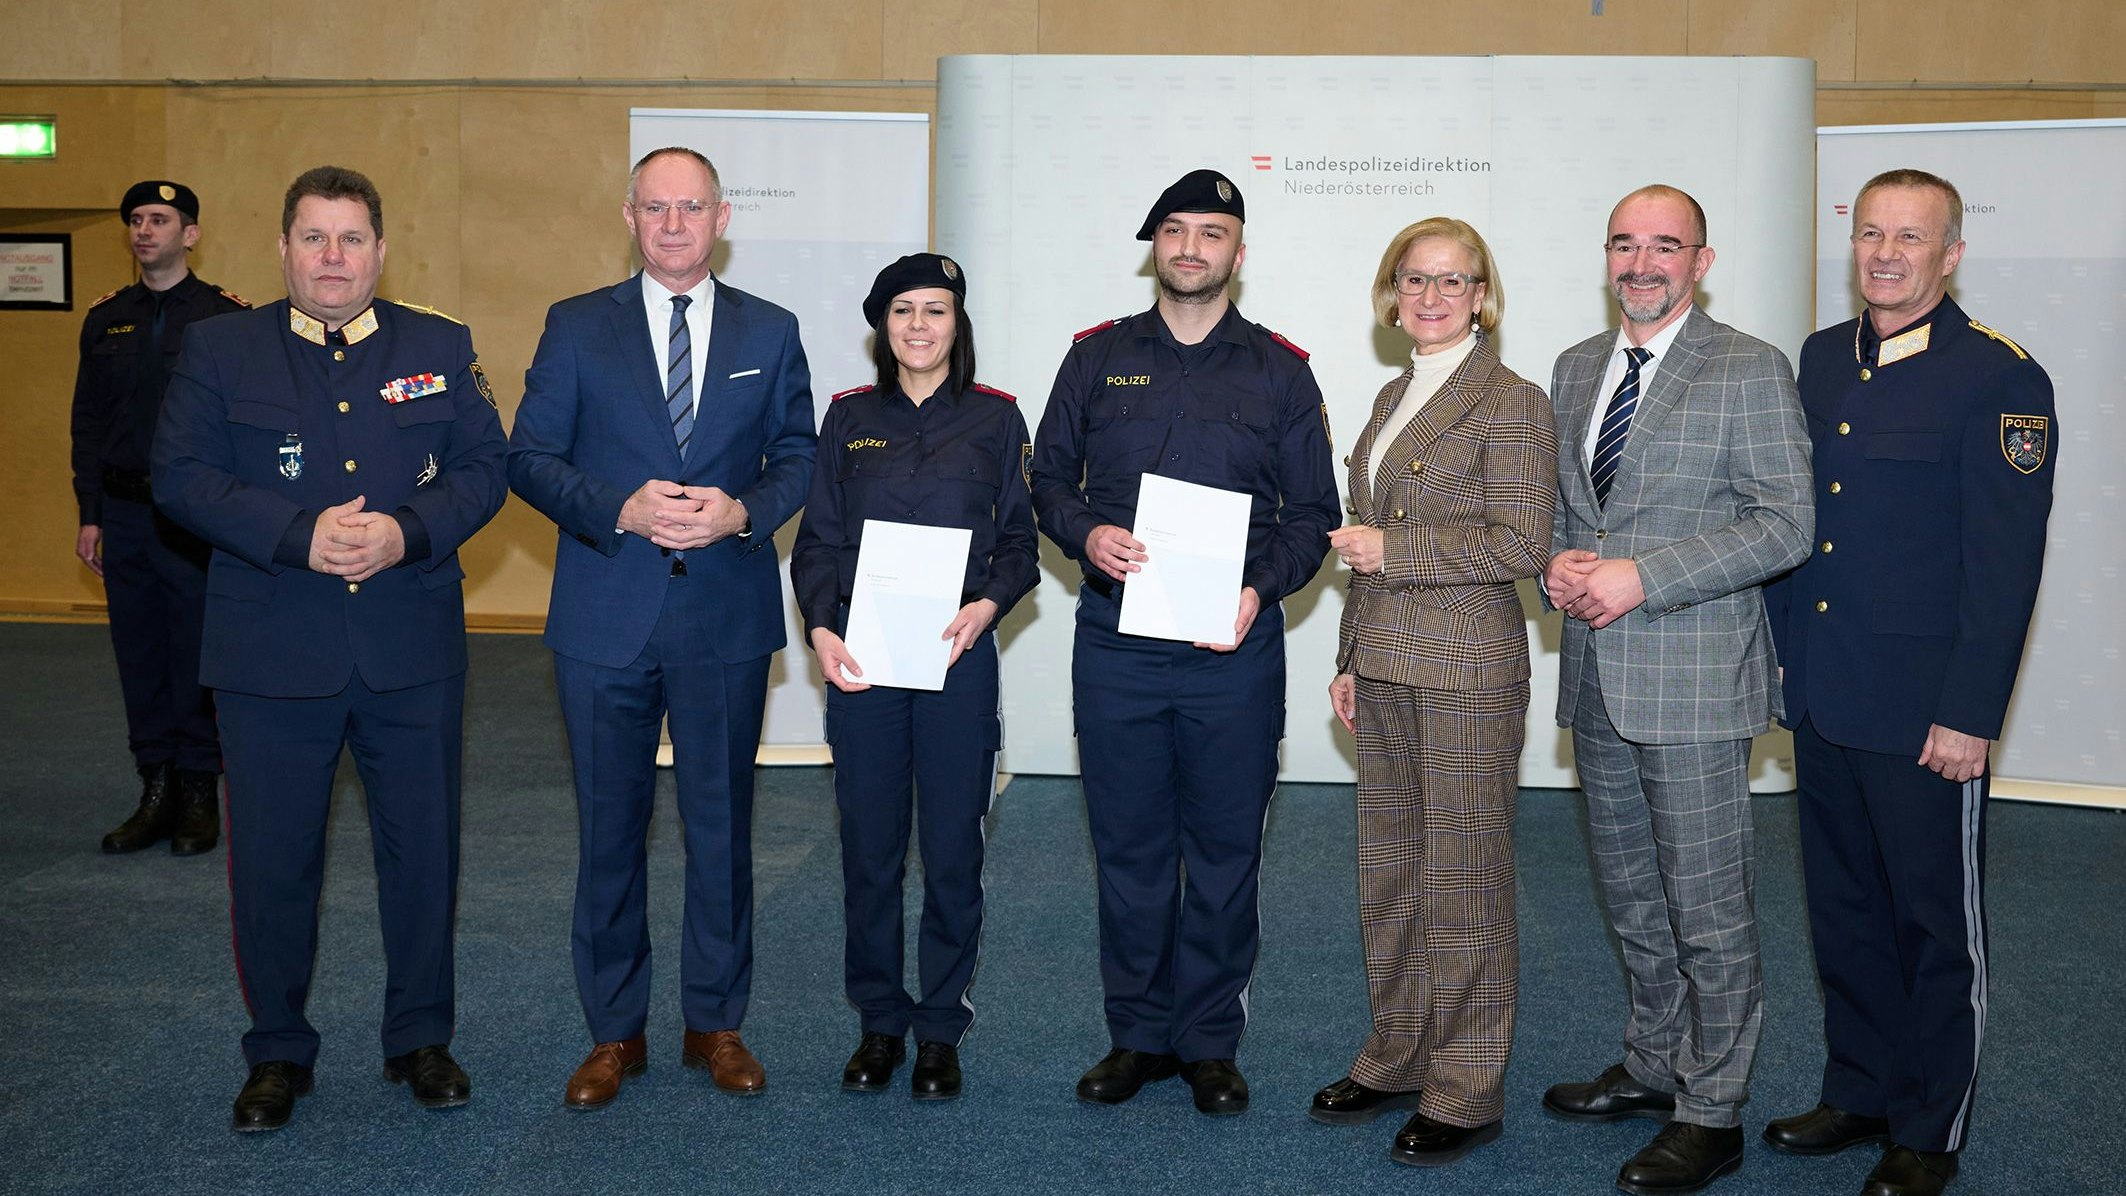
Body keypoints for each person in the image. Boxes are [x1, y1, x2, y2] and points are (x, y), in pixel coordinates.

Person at [151, 165, 507, 1131]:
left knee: (423, 855)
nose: (334, 258)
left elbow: (486, 468)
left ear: (382, 251)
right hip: (272, 650)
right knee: (272, 862)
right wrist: (296, 532)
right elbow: (177, 474)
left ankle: (420, 1039)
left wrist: (409, 530)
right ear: (282, 249)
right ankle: (276, 1051)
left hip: (409, 646)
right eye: (315, 238)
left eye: (352, 239)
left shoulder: (439, 343)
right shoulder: (219, 348)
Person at [1761, 169, 2055, 1196]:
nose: (1884, 254)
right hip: (1824, 691)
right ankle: (1860, 1085)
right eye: (1869, 234)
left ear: (1950, 254)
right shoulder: (1817, 360)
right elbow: (1798, 530)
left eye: (1909, 238)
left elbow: (2002, 566)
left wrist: (1969, 713)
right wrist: (1778, 661)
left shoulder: (1996, 378)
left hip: (1924, 709)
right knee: (1839, 906)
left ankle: (1928, 1125)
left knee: (1934, 923)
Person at [508, 146, 817, 1109]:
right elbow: (528, 456)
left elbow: (802, 452)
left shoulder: (772, 327)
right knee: (610, 831)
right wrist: (619, 508)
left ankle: (716, 1024)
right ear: (629, 217)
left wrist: (743, 514)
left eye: (692, 208)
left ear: (722, 217)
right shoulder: (575, 326)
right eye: (656, 209)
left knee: (721, 829)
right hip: (607, 612)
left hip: (723, 613)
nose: (674, 225)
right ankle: (614, 1033)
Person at [1029, 169, 1338, 1117]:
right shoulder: (1094, 357)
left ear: (1238, 253)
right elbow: (1047, 479)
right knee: (1125, 847)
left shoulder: (1283, 371)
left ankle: (1208, 1041)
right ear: (1153, 247)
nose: (1191, 248)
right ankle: (1136, 1036)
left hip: (1231, 650)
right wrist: (1085, 535)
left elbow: (1312, 515)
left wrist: (1260, 588)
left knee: (1223, 850)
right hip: (1116, 647)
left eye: (1211, 232)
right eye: (1174, 230)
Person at [1539, 184, 1813, 1194]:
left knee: (1707, 907)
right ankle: (1654, 1063)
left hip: (1694, 679)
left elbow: (1784, 522)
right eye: (1622, 243)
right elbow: (1571, 514)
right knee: (1632, 898)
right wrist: (1558, 568)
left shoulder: (1745, 366)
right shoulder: (1574, 368)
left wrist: (1642, 575)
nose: (1639, 262)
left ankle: (1712, 1106)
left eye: (1663, 245)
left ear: (1700, 260)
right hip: (1596, 674)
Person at [1315, 217, 1557, 1165]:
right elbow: (1357, 538)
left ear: (1482, 295)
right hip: (1381, 663)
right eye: (1414, 280)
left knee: (1462, 882)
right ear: (1391, 291)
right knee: (1390, 874)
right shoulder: (1389, 394)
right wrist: (1346, 652)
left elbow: (1522, 546)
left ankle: (1465, 1086)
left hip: (1466, 670)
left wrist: (1397, 551)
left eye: (1452, 282)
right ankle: (1397, 1051)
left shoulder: (1513, 401)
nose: (1431, 296)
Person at [789, 253, 1038, 1102]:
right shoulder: (847, 419)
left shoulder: (999, 422)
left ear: (957, 322)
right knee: (869, 849)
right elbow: (818, 541)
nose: (920, 326)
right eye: (904, 312)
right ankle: (878, 1022)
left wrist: (988, 606)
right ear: (882, 326)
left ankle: (939, 1028)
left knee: (951, 851)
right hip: (864, 664)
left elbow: (1020, 546)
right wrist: (821, 627)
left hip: (957, 661)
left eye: (937, 310)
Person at [71, 180, 248, 856]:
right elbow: (87, 425)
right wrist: (90, 512)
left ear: (191, 233)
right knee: (139, 653)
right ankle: (155, 787)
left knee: (195, 650)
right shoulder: (105, 317)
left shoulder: (226, 318)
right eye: (136, 221)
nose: (145, 230)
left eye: (160, 219)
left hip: (193, 514)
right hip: (122, 509)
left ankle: (200, 789)